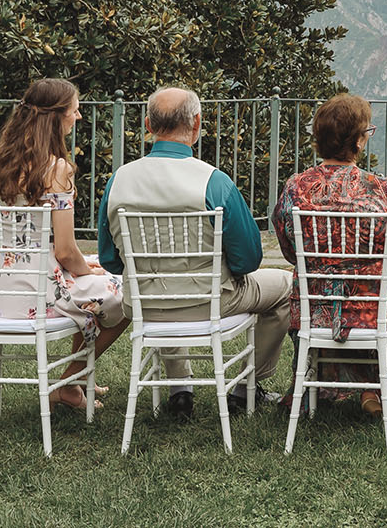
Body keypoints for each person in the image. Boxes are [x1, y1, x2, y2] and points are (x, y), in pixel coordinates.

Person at [96, 87, 294, 419]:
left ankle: (180, 391)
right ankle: (247, 387)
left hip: (144, 303)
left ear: (148, 123)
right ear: (197, 123)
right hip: (209, 301)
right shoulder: (214, 182)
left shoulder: (119, 181)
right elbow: (248, 260)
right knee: (287, 288)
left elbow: (110, 260)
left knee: (162, 291)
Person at [274, 94, 387, 410]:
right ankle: (382, 387)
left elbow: (289, 250)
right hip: (373, 307)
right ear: (357, 141)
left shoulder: (294, 187)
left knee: (369, 291)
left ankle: (346, 386)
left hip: (315, 308)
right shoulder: (379, 187)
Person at [0, 77, 127, 411]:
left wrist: (81, 267)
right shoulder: (57, 169)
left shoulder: (4, 162)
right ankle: (69, 381)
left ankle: (76, 379)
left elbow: (31, 245)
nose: (78, 117)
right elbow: (63, 250)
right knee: (126, 294)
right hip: (40, 293)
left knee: (91, 276)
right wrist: (82, 268)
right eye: (74, 111)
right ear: (56, 117)